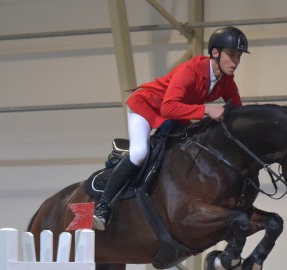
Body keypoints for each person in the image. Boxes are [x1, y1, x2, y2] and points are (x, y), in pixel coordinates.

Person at [93, 26, 249, 231]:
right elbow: (167, 107)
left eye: (238, 56)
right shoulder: (190, 70)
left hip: (176, 114)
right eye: (231, 55)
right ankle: (103, 207)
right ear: (215, 53)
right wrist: (206, 110)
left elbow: (238, 111)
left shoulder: (226, 80)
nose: (235, 62)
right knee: (140, 153)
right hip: (147, 107)